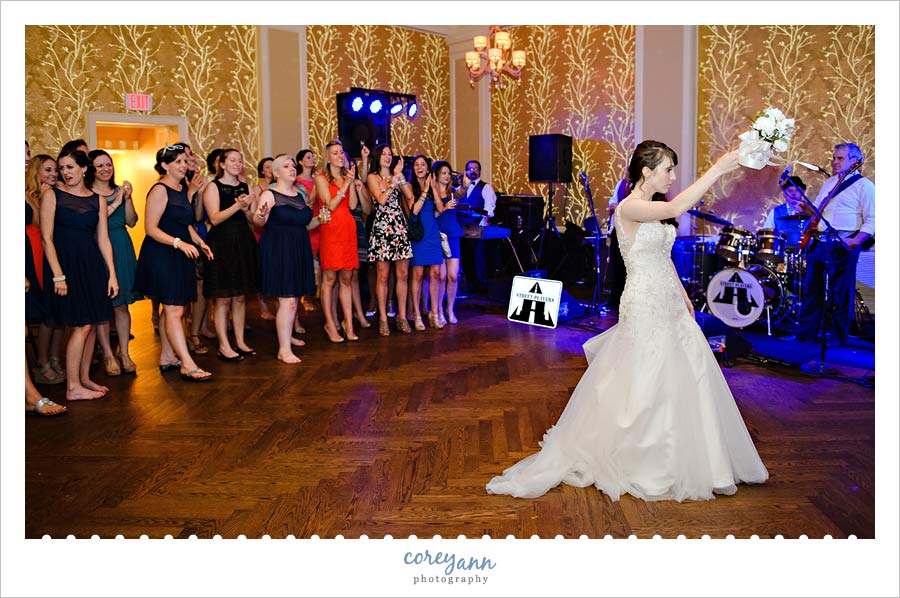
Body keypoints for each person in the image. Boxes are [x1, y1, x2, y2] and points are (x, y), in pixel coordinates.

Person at [486, 141, 768, 501]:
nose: (672, 176)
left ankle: (699, 459)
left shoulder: (652, 208)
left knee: (687, 373)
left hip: (667, 299)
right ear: (647, 172)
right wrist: (717, 168)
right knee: (643, 376)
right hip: (644, 301)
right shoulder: (629, 207)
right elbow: (679, 206)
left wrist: (683, 297)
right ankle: (643, 458)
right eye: (668, 169)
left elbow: (663, 257)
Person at [40, 148, 118, 401]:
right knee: (81, 325)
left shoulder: (98, 200)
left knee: (93, 323)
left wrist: (112, 274)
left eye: (70, 167)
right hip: (65, 266)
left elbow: (104, 239)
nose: (64, 173)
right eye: (62, 168)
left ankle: (84, 378)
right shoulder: (53, 195)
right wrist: (58, 276)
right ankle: (72, 387)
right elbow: (46, 239)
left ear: (84, 169)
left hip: (92, 264)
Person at [134, 144, 214, 382]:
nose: (182, 165)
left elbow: (185, 223)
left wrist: (200, 242)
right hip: (161, 254)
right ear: (165, 166)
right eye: (177, 162)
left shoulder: (180, 188)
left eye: (184, 161)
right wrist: (179, 243)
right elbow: (150, 229)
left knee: (176, 308)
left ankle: (168, 356)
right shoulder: (159, 189)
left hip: (181, 253)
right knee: (174, 309)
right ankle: (187, 364)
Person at [793, 143, 875, 345]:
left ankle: (837, 338)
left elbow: (873, 219)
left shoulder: (865, 186)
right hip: (820, 241)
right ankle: (806, 335)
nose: (834, 162)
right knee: (812, 289)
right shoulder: (829, 183)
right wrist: (808, 211)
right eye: (834, 158)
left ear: (854, 161)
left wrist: (855, 241)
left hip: (843, 242)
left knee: (841, 293)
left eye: (840, 158)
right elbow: (822, 216)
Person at [254, 154, 317, 363]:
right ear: (276, 172)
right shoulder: (269, 195)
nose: (292, 168)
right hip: (278, 251)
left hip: (298, 249)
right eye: (286, 166)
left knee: (293, 298)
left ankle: (287, 336)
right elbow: (258, 220)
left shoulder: (299, 195)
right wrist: (261, 215)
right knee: (288, 301)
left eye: (293, 165)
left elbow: (305, 223)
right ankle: (283, 350)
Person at [202, 148, 260, 361]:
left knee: (240, 297)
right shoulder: (213, 187)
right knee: (223, 298)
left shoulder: (246, 186)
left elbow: (252, 219)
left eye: (240, 160)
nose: (237, 163)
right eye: (232, 160)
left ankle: (240, 341)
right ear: (222, 164)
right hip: (222, 243)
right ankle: (224, 345)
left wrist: (251, 210)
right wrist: (238, 205)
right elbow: (215, 218)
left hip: (243, 242)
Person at [88, 149, 141, 376]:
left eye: (108, 164)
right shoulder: (87, 194)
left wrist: (127, 199)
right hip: (97, 248)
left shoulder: (121, 191)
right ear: (91, 169)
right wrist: (117, 200)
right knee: (102, 306)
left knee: (121, 304)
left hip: (121, 245)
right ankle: (108, 354)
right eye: (99, 165)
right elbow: (94, 222)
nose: (105, 169)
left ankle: (125, 353)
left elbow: (132, 221)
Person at [314, 140, 360, 343]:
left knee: (347, 279)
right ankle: (330, 324)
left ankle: (349, 325)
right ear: (328, 157)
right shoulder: (321, 178)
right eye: (335, 153)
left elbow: (352, 205)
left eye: (342, 152)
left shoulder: (346, 177)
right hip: (331, 229)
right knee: (329, 279)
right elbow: (330, 206)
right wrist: (346, 185)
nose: (340, 155)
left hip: (348, 228)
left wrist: (352, 183)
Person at [366, 144, 414, 336]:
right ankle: (383, 318)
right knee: (383, 276)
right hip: (382, 228)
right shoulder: (372, 177)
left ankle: (402, 317)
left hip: (399, 226)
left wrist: (400, 177)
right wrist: (393, 181)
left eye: (389, 154)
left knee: (402, 274)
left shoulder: (397, 175)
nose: (387, 156)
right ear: (377, 157)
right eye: (384, 154)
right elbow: (381, 199)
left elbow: (409, 196)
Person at [407, 161, 450, 331]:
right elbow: (414, 210)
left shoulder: (433, 187)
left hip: (432, 233)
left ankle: (434, 313)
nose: (420, 168)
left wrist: (432, 188)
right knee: (417, 274)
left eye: (423, 165)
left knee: (436, 273)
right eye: (417, 165)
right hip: (418, 235)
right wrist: (425, 189)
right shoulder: (410, 187)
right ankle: (417, 315)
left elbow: (440, 208)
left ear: (428, 169)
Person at [458, 159, 498, 294]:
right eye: (470, 168)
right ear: (466, 171)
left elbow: (490, 208)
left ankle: (482, 285)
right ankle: (470, 283)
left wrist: (482, 225)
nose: (473, 170)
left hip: (478, 227)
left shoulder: (486, 187)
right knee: (466, 256)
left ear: (479, 171)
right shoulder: (460, 189)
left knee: (478, 257)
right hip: (463, 228)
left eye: (476, 168)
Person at [604, 177, 631, 311]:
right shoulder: (622, 183)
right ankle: (615, 299)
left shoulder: (642, 185)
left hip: (631, 230)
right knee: (617, 266)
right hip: (617, 229)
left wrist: (619, 206)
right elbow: (613, 201)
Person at [762, 175, 811, 248]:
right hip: (780, 254)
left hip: (804, 254)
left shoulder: (810, 211)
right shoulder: (775, 212)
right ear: (784, 194)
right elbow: (767, 233)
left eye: (797, 190)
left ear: (802, 193)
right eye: (790, 190)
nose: (793, 194)